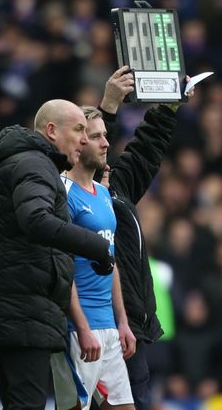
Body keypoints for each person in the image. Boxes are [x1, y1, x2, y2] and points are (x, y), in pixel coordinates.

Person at [0, 99, 116, 409]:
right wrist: (96, 246)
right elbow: (36, 220)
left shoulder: (25, 163)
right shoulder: (35, 163)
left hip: (20, 307)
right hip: (24, 308)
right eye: (78, 129)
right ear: (51, 130)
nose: (83, 138)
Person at [96, 67, 193, 409]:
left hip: (132, 327)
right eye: (97, 139)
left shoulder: (117, 186)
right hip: (101, 327)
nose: (107, 145)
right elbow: (90, 154)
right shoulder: (76, 193)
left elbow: (145, 149)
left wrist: (167, 109)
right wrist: (108, 106)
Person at [51, 106, 137, 410]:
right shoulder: (61, 192)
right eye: (96, 136)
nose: (105, 143)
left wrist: (122, 321)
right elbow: (63, 267)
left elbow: (109, 260)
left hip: (109, 328)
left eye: (105, 136)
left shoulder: (102, 194)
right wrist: (82, 326)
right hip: (77, 329)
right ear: (79, 141)